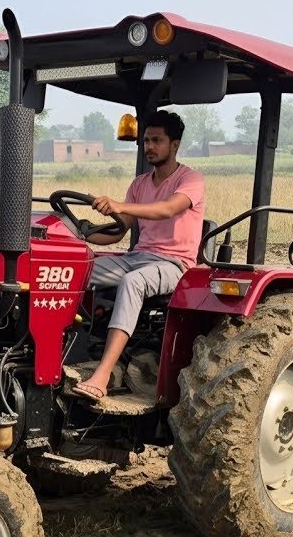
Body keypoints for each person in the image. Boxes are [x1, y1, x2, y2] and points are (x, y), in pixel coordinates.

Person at [73, 110, 205, 401]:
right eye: (146, 141)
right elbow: (118, 232)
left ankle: (103, 374)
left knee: (133, 282)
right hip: (138, 257)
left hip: (174, 264)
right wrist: (79, 233)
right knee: (77, 270)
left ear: (174, 145)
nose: (149, 147)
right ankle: (67, 349)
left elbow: (167, 209)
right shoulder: (140, 184)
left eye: (157, 140)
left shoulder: (190, 179)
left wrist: (120, 205)